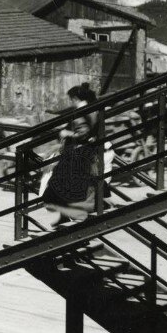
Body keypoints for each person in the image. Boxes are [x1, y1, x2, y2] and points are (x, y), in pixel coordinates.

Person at [38, 84, 101, 229]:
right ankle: (66, 216)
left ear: (75, 98)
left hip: (78, 154)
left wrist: (66, 133)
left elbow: (83, 133)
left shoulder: (82, 111)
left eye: (71, 99)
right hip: (82, 153)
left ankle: (73, 216)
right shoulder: (91, 109)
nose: (70, 102)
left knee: (60, 185)